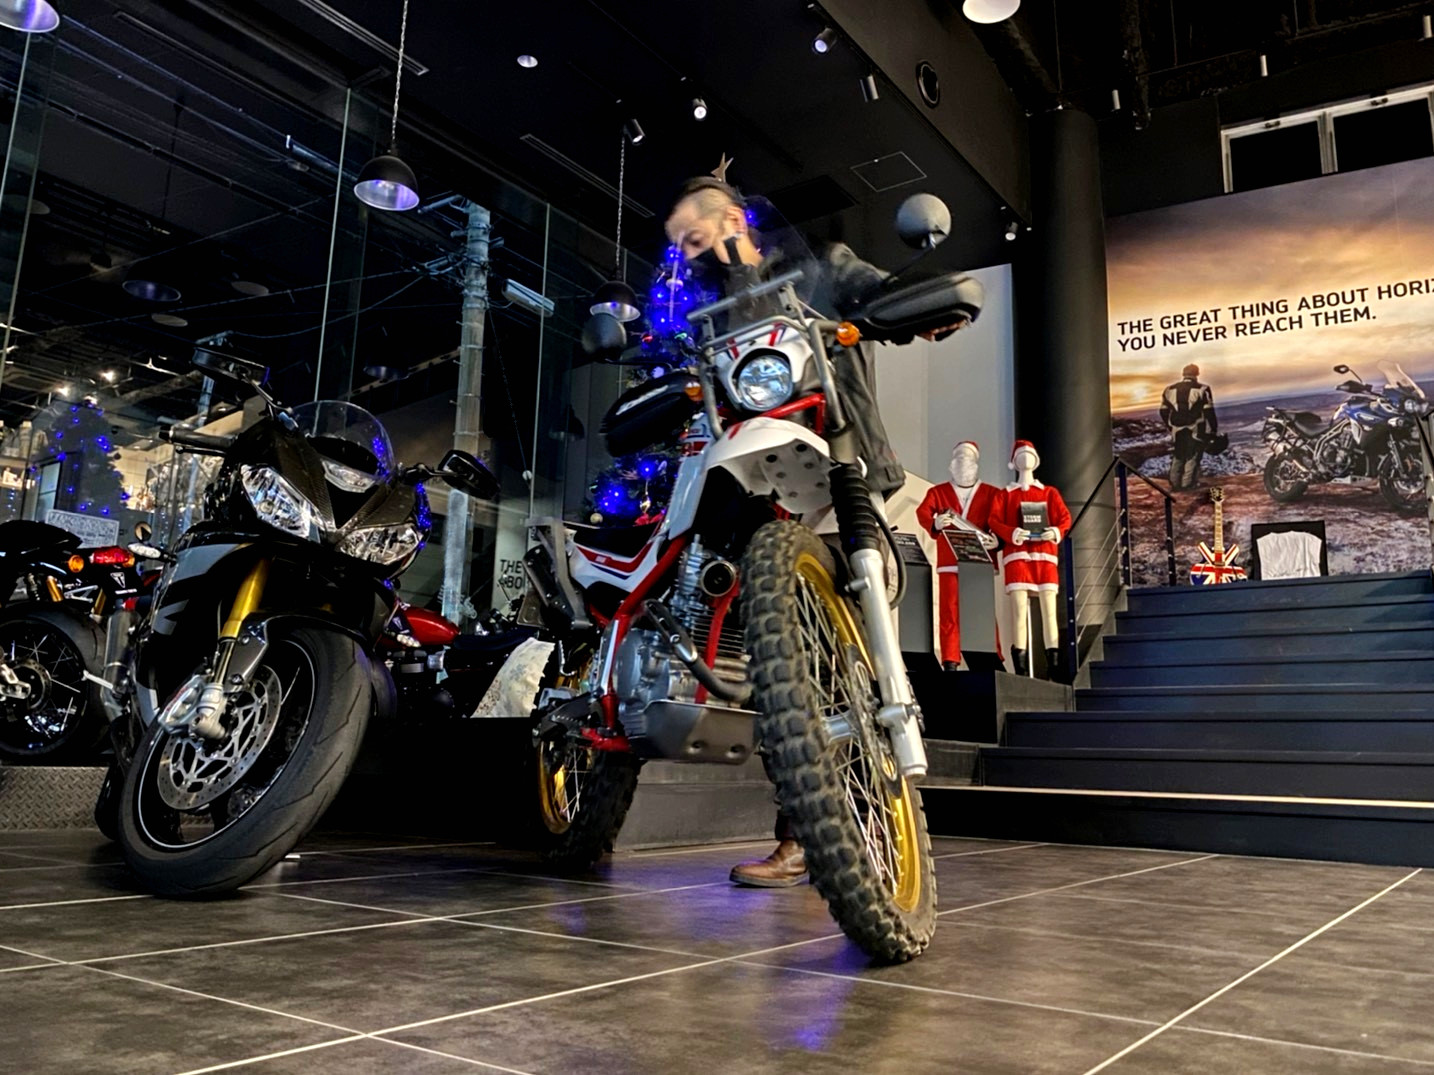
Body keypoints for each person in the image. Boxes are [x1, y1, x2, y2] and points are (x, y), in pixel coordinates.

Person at [664, 175, 965, 886]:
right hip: (760, 492)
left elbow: (879, 294)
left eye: (694, 237)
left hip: (839, 470)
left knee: (840, 658)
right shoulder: (709, 313)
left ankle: (854, 826)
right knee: (785, 667)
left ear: (732, 219)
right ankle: (803, 833)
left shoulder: (818, 267)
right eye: (679, 245)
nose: (688, 254)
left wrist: (926, 309)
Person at [914, 441, 1002, 671]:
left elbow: (1000, 521)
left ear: (976, 463)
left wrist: (998, 540)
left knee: (982, 610)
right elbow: (923, 512)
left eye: (968, 458)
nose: (963, 462)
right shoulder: (937, 492)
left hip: (979, 560)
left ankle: (990, 656)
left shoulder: (993, 493)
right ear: (952, 463)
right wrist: (934, 522)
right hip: (949, 561)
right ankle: (950, 658)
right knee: (949, 611)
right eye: (959, 457)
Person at [1160, 363, 1218, 491]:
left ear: (1183, 374)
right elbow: (1209, 411)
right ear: (1197, 374)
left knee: (1179, 453)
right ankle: (1188, 484)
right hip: (1196, 426)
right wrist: (1213, 429)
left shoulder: (1168, 389)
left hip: (1176, 427)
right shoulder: (1203, 389)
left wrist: (1170, 426)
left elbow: (1163, 411)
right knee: (1194, 453)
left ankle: (1175, 484)